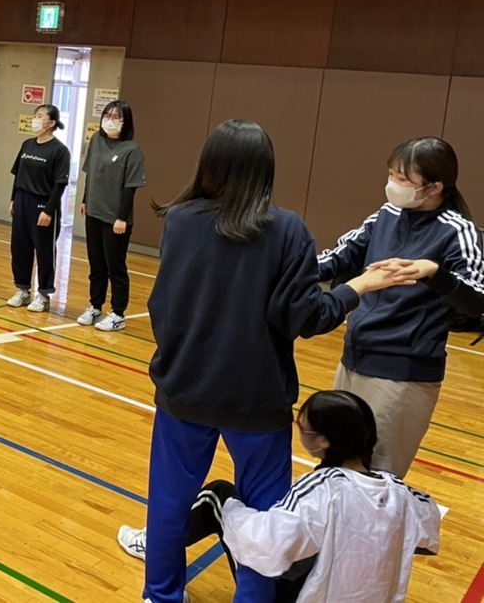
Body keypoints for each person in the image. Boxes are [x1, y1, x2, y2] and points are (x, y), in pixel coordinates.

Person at [142, 119, 406, 603]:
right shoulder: (287, 230)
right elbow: (306, 317)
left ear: (209, 164)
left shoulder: (180, 219)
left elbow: (165, 304)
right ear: (266, 170)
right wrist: (360, 286)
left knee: (168, 503)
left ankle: (160, 595)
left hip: (184, 388)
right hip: (256, 398)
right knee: (266, 517)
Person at [118, 390, 442, 603]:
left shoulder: (321, 490)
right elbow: (427, 537)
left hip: (311, 594)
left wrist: (234, 509)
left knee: (218, 495)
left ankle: (158, 547)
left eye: (303, 427)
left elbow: (266, 546)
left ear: (323, 441)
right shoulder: (402, 492)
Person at [318, 136, 484, 478]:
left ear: (435, 187)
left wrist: (434, 272)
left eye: (404, 179)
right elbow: (338, 257)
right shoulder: (386, 214)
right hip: (353, 358)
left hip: (402, 373)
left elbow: (476, 302)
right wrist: (283, 266)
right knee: (335, 462)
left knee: (378, 473)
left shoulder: (458, 231)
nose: (393, 183)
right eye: (392, 174)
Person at [77, 99, 146, 331]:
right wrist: (85, 200)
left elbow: (130, 188)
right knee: (96, 265)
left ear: (125, 122)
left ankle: (118, 313)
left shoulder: (132, 151)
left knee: (115, 267)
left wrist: (121, 218)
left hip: (115, 219)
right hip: (94, 212)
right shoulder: (96, 141)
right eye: (107, 115)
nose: (110, 120)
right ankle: (95, 306)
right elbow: (91, 173)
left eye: (116, 117)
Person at [6, 104, 71, 313]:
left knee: (44, 251)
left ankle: (43, 294)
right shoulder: (27, 145)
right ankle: (23, 290)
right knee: (20, 247)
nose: (35, 119)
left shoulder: (60, 151)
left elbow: (60, 184)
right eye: (35, 115)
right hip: (22, 200)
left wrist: (49, 210)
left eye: (40, 116)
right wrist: (13, 199)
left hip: (43, 203)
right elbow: (18, 175)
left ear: (51, 123)